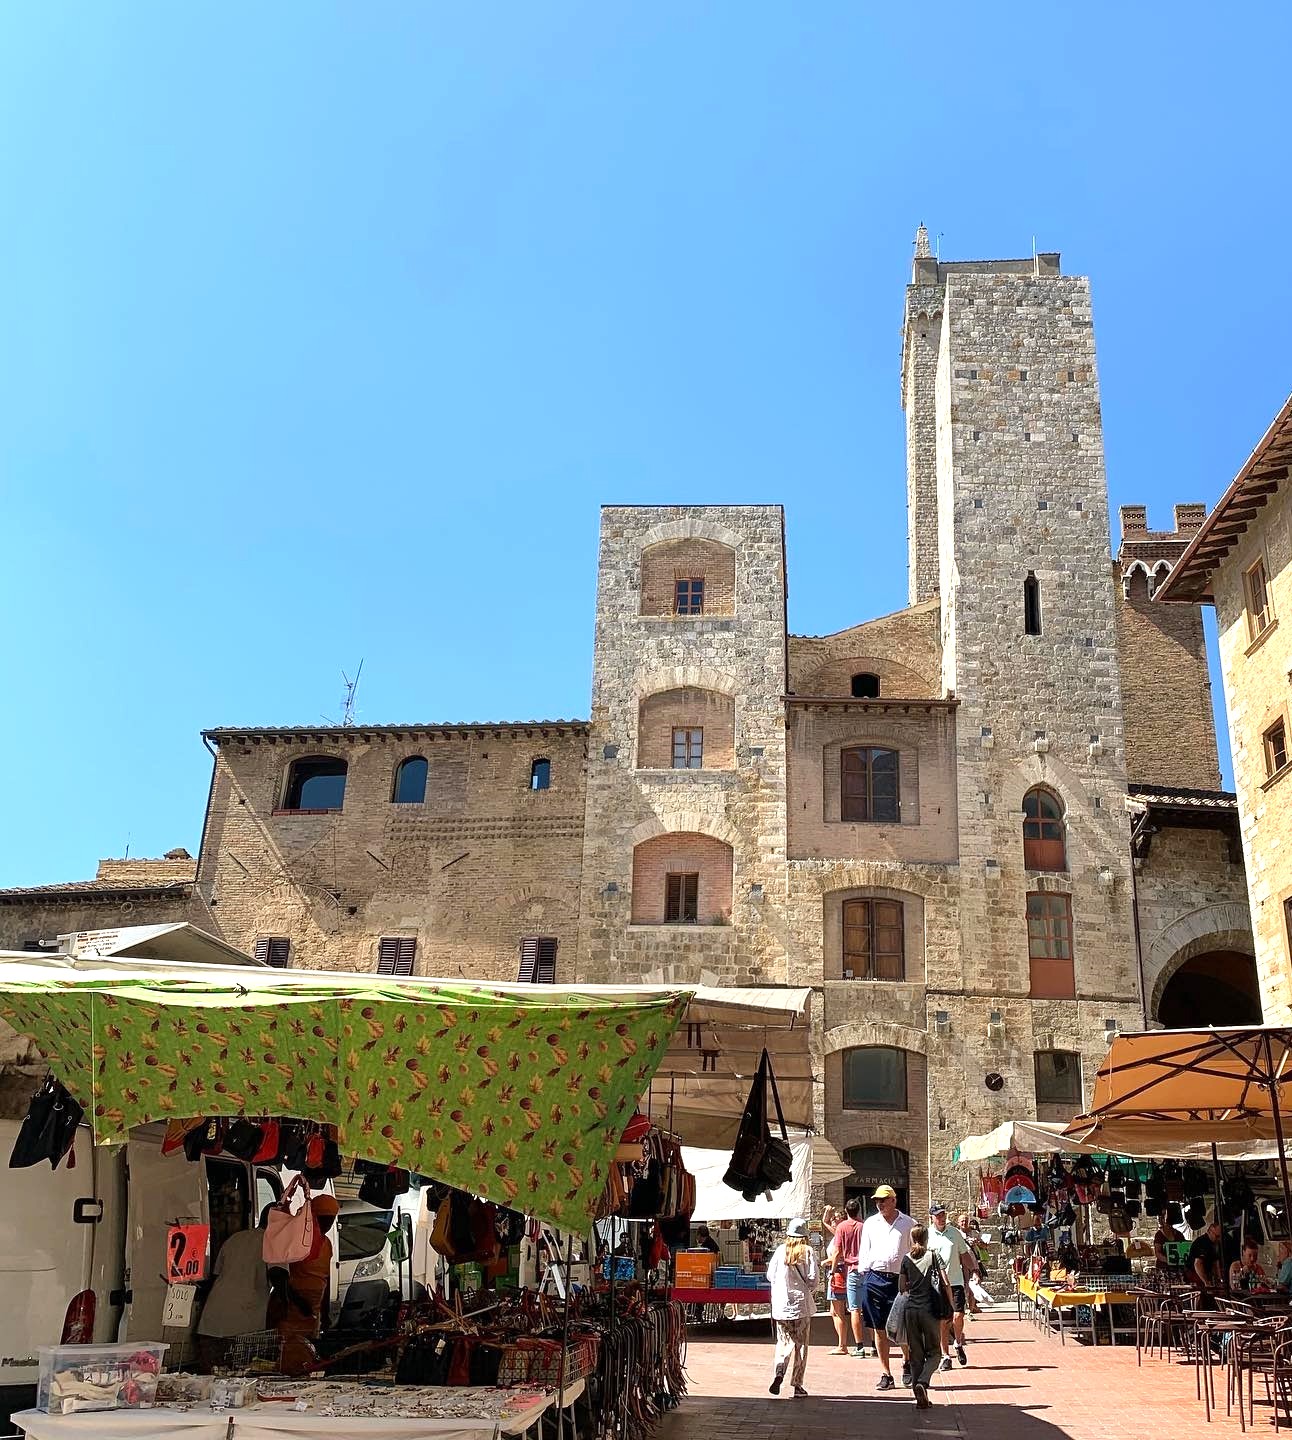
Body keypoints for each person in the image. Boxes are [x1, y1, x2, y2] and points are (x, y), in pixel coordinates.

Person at [269, 1193, 339, 1373]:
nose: (328, 1224)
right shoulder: (298, 1239)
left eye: (331, 1220)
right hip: (293, 1306)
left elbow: (326, 1278)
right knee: (287, 1349)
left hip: (313, 1309)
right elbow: (281, 1277)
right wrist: (300, 1302)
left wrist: (325, 1312)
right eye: (324, 1219)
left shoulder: (327, 1243)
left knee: (306, 1351)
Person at [855, 1184, 915, 1391]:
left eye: (883, 1200)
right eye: (877, 1200)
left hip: (899, 1281)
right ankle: (886, 1374)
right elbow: (865, 1250)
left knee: (902, 1326)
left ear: (893, 1200)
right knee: (879, 1328)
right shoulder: (870, 1223)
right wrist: (864, 1273)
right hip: (874, 1279)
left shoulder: (908, 1223)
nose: (879, 1204)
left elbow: (914, 1253)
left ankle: (907, 1361)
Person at [196, 1206, 271, 1364]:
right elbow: (280, 1276)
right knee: (237, 1374)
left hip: (213, 1316)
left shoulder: (236, 1238)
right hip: (243, 1324)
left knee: (209, 1374)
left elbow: (216, 1274)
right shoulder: (274, 1242)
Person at [898, 1225, 954, 1410]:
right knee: (935, 1353)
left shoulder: (906, 1259)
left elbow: (901, 1287)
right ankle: (923, 1381)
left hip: (911, 1310)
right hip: (929, 1310)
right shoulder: (933, 1256)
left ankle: (919, 1396)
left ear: (912, 1238)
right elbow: (945, 1282)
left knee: (916, 1355)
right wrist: (951, 1305)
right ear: (926, 1238)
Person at [766, 1218, 818, 1399]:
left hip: (781, 1305)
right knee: (801, 1345)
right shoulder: (808, 1251)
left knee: (783, 1342)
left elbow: (770, 1275)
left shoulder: (780, 1251)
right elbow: (813, 1279)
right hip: (801, 1306)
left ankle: (779, 1371)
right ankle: (797, 1384)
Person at [928, 1203, 972, 1370]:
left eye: (943, 1214)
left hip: (955, 1281)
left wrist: (974, 1271)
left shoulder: (954, 1233)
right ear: (931, 1217)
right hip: (937, 1285)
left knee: (958, 1316)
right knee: (943, 1321)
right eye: (938, 1215)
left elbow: (964, 1254)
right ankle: (945, 1356)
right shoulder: (928, 1235)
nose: (941, 1218)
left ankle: (958, 1342)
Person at [831, 1198, 870, 1356]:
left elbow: (837, 1251)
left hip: (852, 1271)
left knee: (855, 1309)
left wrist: (833, 1271)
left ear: (846, 1211)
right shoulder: (865, 1226)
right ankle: (874, 1345)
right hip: (867, 1270)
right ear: (859, 1210)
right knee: (868, 1308)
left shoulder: (841, 1227)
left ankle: (859, 1346)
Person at [1187, 1213, 1224, 1306]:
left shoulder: (1214, 1244)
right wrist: (1206, 1282)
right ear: (1210, 1231)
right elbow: (1198, 1264)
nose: (1218, 1239)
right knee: (1200, 1300)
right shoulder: (1201, 1243)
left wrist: (1220, 1280)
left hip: (1206, 1275)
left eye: (1219, 1236)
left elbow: (1216, 1263)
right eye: (1217, 1236)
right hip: (1195, 1275)